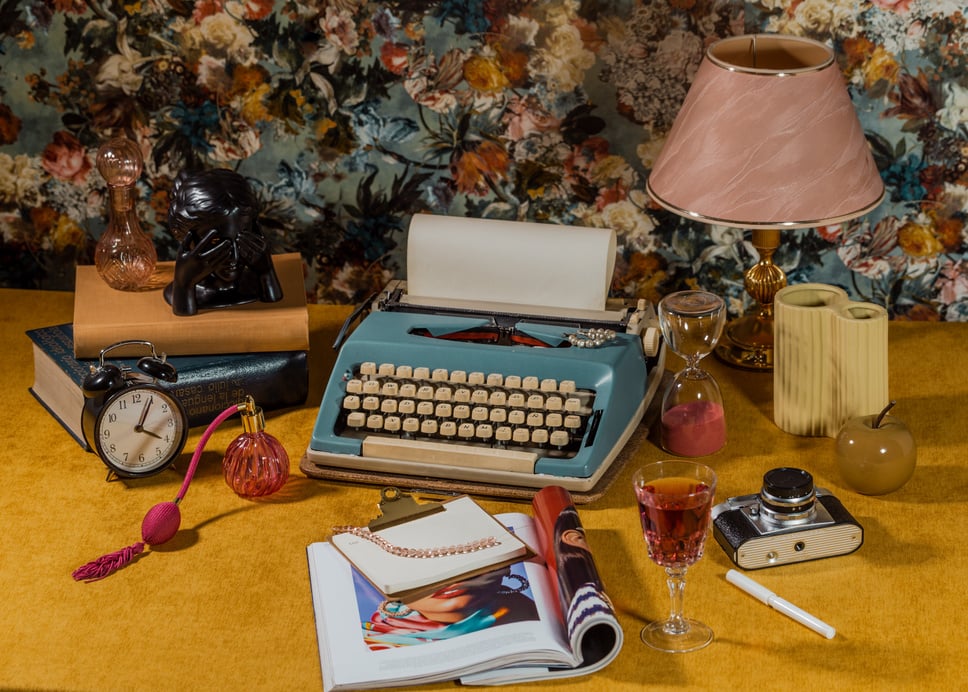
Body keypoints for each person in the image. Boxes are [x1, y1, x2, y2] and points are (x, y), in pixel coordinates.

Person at [164, 168, 283, 316]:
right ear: (184, 236)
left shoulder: (252, 283)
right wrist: (183, 285)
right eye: (216, 242)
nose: (234, 257)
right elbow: (184, 321)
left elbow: (279, 308)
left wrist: (266, 272)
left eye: (242, 237)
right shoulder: (186, 286)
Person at [360, 565, 537, 650]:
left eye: (463, 559)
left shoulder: (535, 619)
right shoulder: (373, 645)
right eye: (418, 573)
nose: (449, 580)